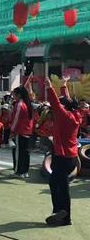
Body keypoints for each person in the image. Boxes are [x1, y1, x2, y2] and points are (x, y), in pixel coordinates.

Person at [44, 77, 82, 226]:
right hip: (70, 156)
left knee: (61, 186)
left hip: (63, 157)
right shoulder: (76, 114)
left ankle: (64, 215)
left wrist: (49, 87)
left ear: (64, 107)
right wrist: (64, 86)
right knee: (55, 183)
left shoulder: (64, 116)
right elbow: (67, 101)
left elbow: (56, 103)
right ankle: (60, 211)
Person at [10, 86, 34, 178]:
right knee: (25, 152)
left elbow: (16, 119)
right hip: (28, 131)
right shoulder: (28, 104)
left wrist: (12, 131)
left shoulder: (20, 104)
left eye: (14, 94)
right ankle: (25, 171)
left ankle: (18, 171)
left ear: (19, 95)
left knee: (18, 153)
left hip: (20, 131)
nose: (13, 96)